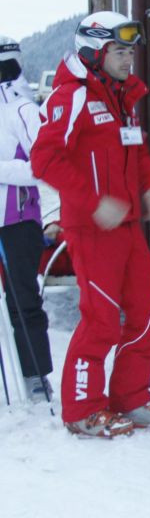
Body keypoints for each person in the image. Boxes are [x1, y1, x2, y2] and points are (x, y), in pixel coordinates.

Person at [31, 11, 150, 438]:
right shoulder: (70, 97)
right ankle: (83, 410)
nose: (128, 59)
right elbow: (44, 158)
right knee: (101, 320)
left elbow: (137, 153)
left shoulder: (121, 97)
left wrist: (148, 186)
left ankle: (131, 398)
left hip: (128, 227)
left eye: (130, 50)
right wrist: (94, 203)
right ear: (95, 52)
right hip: (92, 229)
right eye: (119, 50)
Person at [0, 38, 54, 402]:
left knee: (22, 299)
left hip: (17, 218)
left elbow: (43, 164)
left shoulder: (21, 109)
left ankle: (35, 375)